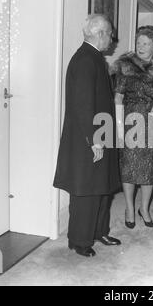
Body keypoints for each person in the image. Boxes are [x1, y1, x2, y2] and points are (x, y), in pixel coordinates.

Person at [53, 14, 121, 257]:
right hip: (89, 140)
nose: (111, 40)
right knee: (86, 191)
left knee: (102, 187)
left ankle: (99, 230)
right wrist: (94, 140)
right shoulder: (84, 60)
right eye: (110, 35)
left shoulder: (94, 58)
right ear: (100, 34)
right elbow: (82, 106)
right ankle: (79, 240)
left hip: (100, 134)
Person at [111, 25, 153, 229]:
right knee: (129, 167)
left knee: (150, 169)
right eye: (139, 42)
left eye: (146, 43)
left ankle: (145, 208)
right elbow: (118, 98)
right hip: (131, 122)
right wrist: (119, 129)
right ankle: (130, 209)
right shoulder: (125, 65)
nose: (141, 46)